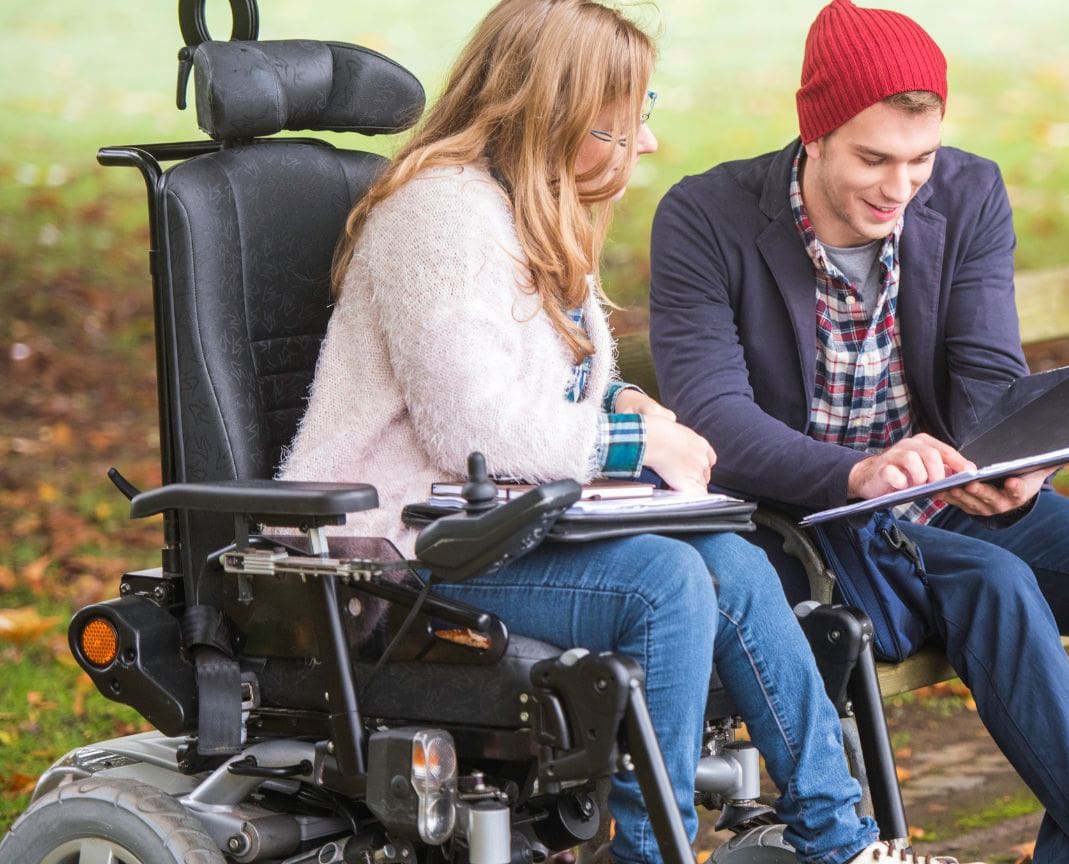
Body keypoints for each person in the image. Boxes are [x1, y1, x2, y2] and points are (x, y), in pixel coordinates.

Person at [276, 3, 959, 864]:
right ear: (559, 116)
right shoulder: (439, 215)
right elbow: (470, 427)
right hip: (392, 550)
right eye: (628, 120)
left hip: (498, 527)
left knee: (736, 565)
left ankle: (842, 842)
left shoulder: (533, 207)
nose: (647, 142)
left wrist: (627, 403)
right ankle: (644, 854)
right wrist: (632, 449)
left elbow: (544, 379)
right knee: (663, 582)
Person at [648, 2, 1069, 862]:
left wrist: (1017, 461)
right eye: (873, 158)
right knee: (998, 581)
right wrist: (861, 472)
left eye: (919, 160)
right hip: (812, 520)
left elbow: (986, 374)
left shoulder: (968, 190)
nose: (898, 187)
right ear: (815, 132)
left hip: (941, 493)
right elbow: (714, 419)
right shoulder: (706, 218)